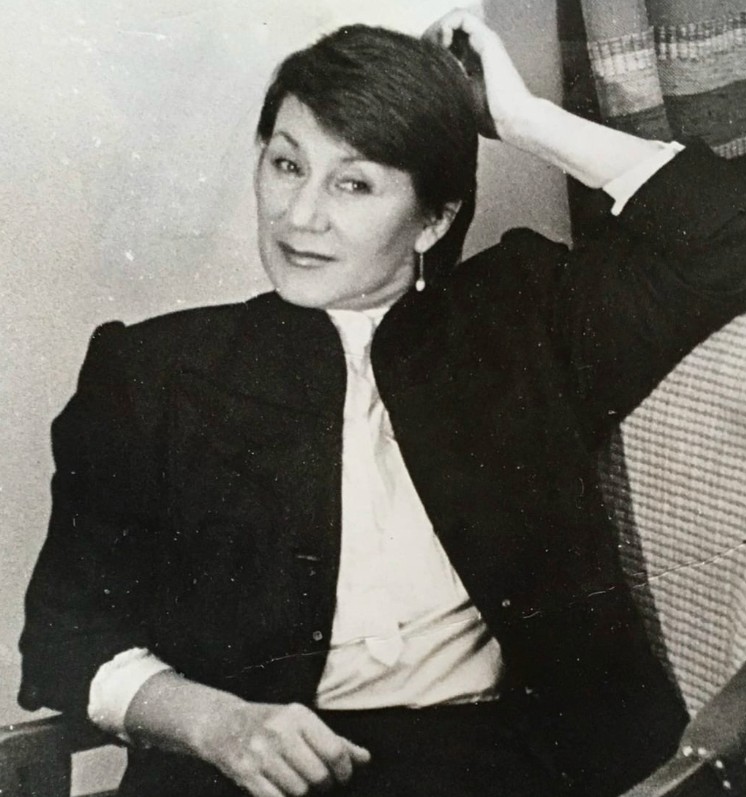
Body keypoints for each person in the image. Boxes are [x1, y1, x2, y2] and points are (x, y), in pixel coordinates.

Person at [18, 8, 746, 797]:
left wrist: (523, 119)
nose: (300, 216)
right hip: (237, 774)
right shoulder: (152, 372)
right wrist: (214, 723)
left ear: (434, 219)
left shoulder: (524, 319)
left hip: (500, 770)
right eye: (287, 165)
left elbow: (727, 235)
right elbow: (66, 638)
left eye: (354, 183)